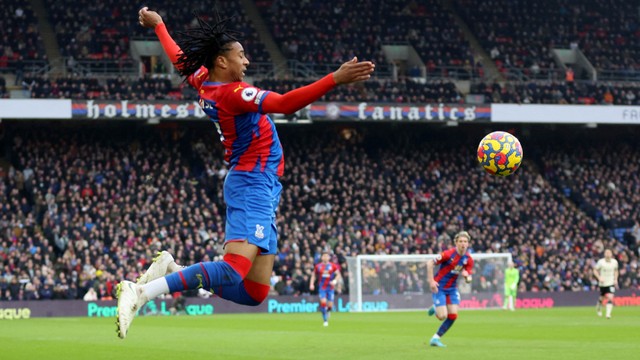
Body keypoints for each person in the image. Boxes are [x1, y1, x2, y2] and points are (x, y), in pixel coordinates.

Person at [115, 7, 375, 339]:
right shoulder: (233, 93)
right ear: (222, 62)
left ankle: (173, 269)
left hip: (262, 185)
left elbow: (181, 60)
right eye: (241, 55)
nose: (247, 62)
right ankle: (141, 294)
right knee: (233, 269)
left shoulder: (204, 82)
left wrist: (160, 26)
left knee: (255, 292)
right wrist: (334, 79)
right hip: (253, 181)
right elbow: (283, 104)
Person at [425, 231, 474, 348]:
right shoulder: (448, 254)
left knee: (453, 315)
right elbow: (430, 263)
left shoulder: (468, 259)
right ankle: (436, 307)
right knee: (442, 316)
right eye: (461, 241)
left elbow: (469, 278)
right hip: (439, 287)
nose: (463, 244)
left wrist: (467, 277)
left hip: (452, 288)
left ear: (468, 244)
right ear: (456, 243)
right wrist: (431, 281)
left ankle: (435, 338)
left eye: (465, 242)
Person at [309, 251, 343, 327]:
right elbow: (313, 275)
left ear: (329, 258)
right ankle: (325, 320)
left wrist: (335, 281)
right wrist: (311, 284)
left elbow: (338, 275)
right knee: (323, 302)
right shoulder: (318, 266)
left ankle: (328, 311)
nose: (325, 257)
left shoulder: (333, 266)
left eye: (327, 256)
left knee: (330, 304)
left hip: (330, 287)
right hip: (322, 287)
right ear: (322, 257)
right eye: (324, 256)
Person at [593, 249, 619, 319]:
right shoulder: (601, 262)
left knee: (610, 297)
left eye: (609, 252)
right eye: (606, 253)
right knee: (602, 298)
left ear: (611, 254)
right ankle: (599, 307)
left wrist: (616, 279)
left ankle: (608, 314)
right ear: (604, 254)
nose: (608, 254)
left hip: (610, 282)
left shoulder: (614, 262)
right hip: (603, 283)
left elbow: (616, 271)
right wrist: (599, 278)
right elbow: (595, 270)